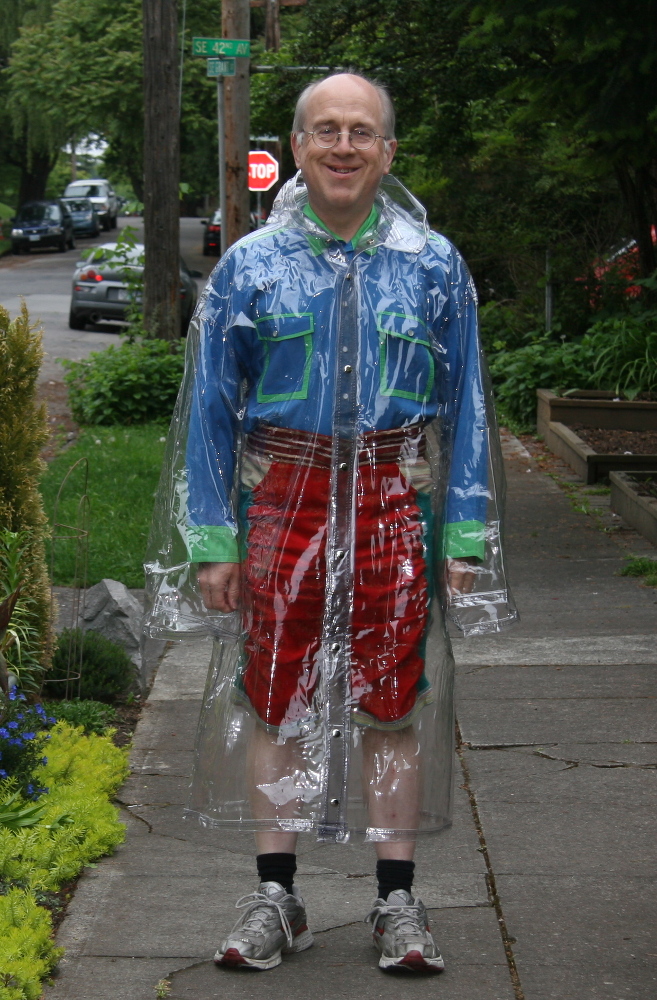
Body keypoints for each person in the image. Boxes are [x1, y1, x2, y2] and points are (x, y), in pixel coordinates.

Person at [144, 72, 517, 975]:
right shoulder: (250, 268)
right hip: (285, 498)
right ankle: (278, 893)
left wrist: (465, 535)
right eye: (324, 131)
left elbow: (466, 407)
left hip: (395, 497)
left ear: (388, 152)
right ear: (297, 149)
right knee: (275, 690)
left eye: (360, 131)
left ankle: (397, 902)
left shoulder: (432, 264)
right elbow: (209, 412)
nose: (342, 145)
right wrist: (212, 538)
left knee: (395, 699)